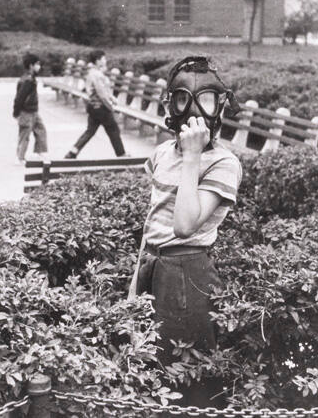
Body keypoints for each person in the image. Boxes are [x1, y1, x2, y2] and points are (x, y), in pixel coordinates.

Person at [130, 56, 243, 407]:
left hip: (188, 275)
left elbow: (183, 226)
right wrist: (134, 286)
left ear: (219, 106)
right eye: (183, 99)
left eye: (205, 100)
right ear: (171, 103)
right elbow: (154, 222)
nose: (193, 110)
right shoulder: (164, 152)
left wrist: (193, 157)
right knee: (149, 367)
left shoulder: (223, 163)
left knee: (187, 378)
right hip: (154, 266)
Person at [64, 49, 126, 158]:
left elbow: (103, 90)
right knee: (113, 129)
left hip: (93, 107)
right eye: (103, 58)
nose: (105, 60)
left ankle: (72, 152)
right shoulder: (97, 74)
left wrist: (112, 98)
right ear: (98, 61)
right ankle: (121, 155)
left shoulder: (93, 73)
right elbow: (102, 94)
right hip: (101, 108)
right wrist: (110, 106)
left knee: (90, 131)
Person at [13, 53, 48, 164]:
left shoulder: (31, 78)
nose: (39, 66)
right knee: (25, 134)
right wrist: (16, 112)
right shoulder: (27, 80)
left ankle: (40, 151)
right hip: (26, 111)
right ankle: (20, 157)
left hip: (33, 111)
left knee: (40, 129)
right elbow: (20, 98)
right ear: (31, 65)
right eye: (37, 64)